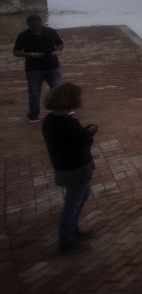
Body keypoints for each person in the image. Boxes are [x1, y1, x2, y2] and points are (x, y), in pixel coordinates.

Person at [41, 83, 97, 253]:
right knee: (71, 203)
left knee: (83, 194)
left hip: (64, 167)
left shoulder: (50, 121)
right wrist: (88, 133)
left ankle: (74, 229)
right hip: (75, 168)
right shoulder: (68, 123)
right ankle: (66, 239)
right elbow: (84, 142)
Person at [12, 14, 64, 123]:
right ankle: (34, 115)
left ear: (41, 23)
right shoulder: (23, 35)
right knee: (34, 92)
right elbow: (16, 52)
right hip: (33, 69)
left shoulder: (50, 31)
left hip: (52, 66)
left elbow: (60, 44)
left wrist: (57, 51)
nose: (35, 26)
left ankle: (57, 110)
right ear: (28, 25)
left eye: (37, 24)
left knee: (56, 89)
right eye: (33, 25)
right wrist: (30, 54)